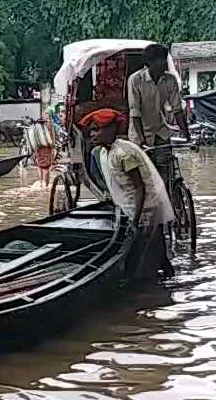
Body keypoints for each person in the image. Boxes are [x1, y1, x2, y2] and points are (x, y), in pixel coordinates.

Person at [81, 108, 176, 280]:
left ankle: (149, 282)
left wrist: (136, 220)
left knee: (142, 249)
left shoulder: (123, 153)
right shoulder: (104, 152)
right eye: (91, 131)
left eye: (96, 130)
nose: (93, 135)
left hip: (147, 207)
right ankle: (167, 278)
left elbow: (140, 188)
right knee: (154, 247)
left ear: (110, 130)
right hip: (134, 206)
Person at [127, 43, 190, 183]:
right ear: (151, 62)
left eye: (165, 59)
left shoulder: (170, 80)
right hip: (140, 133)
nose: (165, 63)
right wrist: (142, 141)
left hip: (161, 130)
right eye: (161, 60)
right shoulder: (135, 80)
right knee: (145, 175)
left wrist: (187, 135)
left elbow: (177, 110)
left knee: (167, 169)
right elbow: (135, 113)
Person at [25, 117, 56, 187]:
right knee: (46, 167)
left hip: (37, 149)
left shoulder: (35, 129)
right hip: (46, 149)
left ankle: (41, 182)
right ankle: (46, 184)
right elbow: (52, 141)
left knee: (40, 165)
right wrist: (53, 148)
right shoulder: (48, 128)